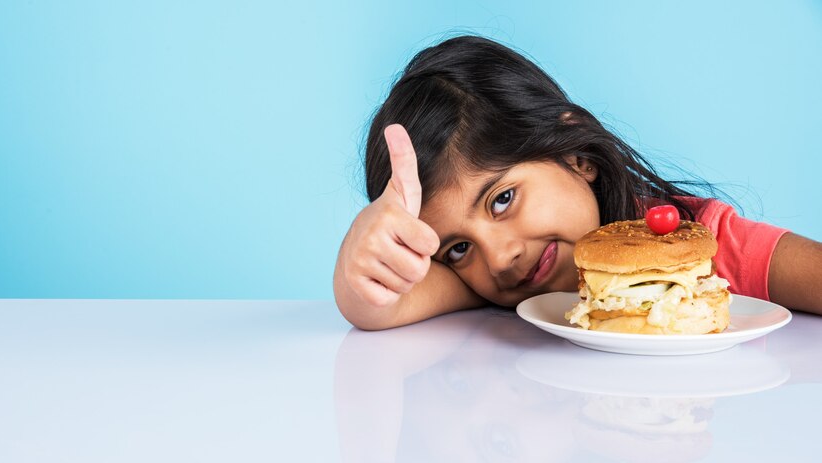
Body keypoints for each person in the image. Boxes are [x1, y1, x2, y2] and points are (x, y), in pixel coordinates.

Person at [334, 35, 822, 330]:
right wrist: (360, 257)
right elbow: (381, 307)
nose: (499, 257)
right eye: (458, 248)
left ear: (576, 154)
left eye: (502, 200)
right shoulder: (490, 280)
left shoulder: (695, 248)